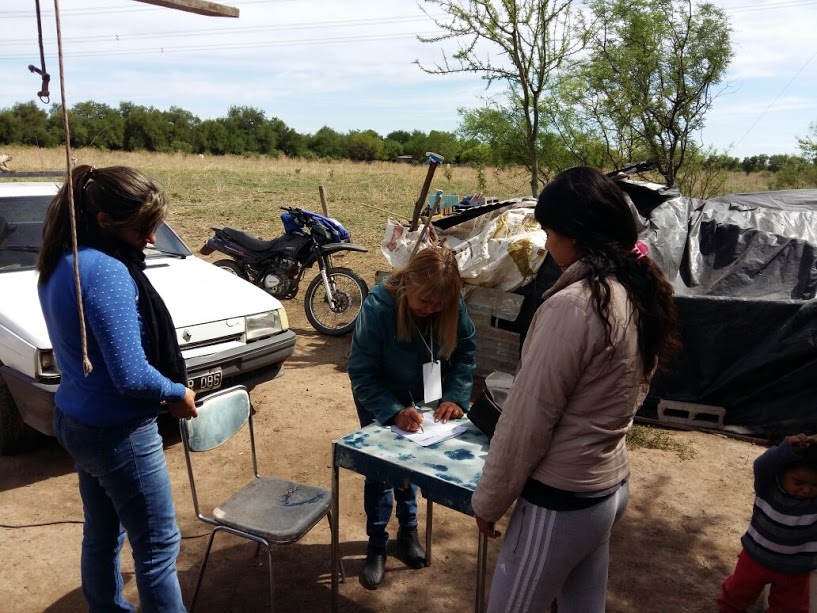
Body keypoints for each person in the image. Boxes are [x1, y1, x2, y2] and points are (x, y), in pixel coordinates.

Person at [471, 166, 680, 612]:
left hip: (560, 501)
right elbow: (636, 388)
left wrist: (489, 500)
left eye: (550, 232)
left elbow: (527, 419)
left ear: (576, 234)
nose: (547, 245)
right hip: (607, 487)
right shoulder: (636, 289)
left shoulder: (575, 306)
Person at [37, 165, 197, 612]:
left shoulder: (59, 260)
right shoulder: (105, 272)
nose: (151, 239)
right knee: (158, 549)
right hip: (118, 433)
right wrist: (176, 392)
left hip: (77, 419)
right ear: (105, 220)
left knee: (103, 534)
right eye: (144, 228)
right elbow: (131, 375)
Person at [347, 246, 477, 590]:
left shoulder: (449, 301)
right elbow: (361, 372)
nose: (431, 309)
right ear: (408, 284)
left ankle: (408, 532)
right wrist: (392, 411)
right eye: (425, 302)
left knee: (414, 464)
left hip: (424, 398)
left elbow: (465, 352)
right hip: (380, 396)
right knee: (381, 471)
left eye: (440, 306)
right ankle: (376, 544)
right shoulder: (378, 308)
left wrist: (454, 395)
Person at [718, 434, 817, 613]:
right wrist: (786, 448)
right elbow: (762, 465)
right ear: (781, 473)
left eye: (815, 485)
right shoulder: (767, 487)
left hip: (795, 570)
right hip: (755, 559)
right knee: (736, 595)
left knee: (790, 608)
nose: (807, 489)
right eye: (798, 482)